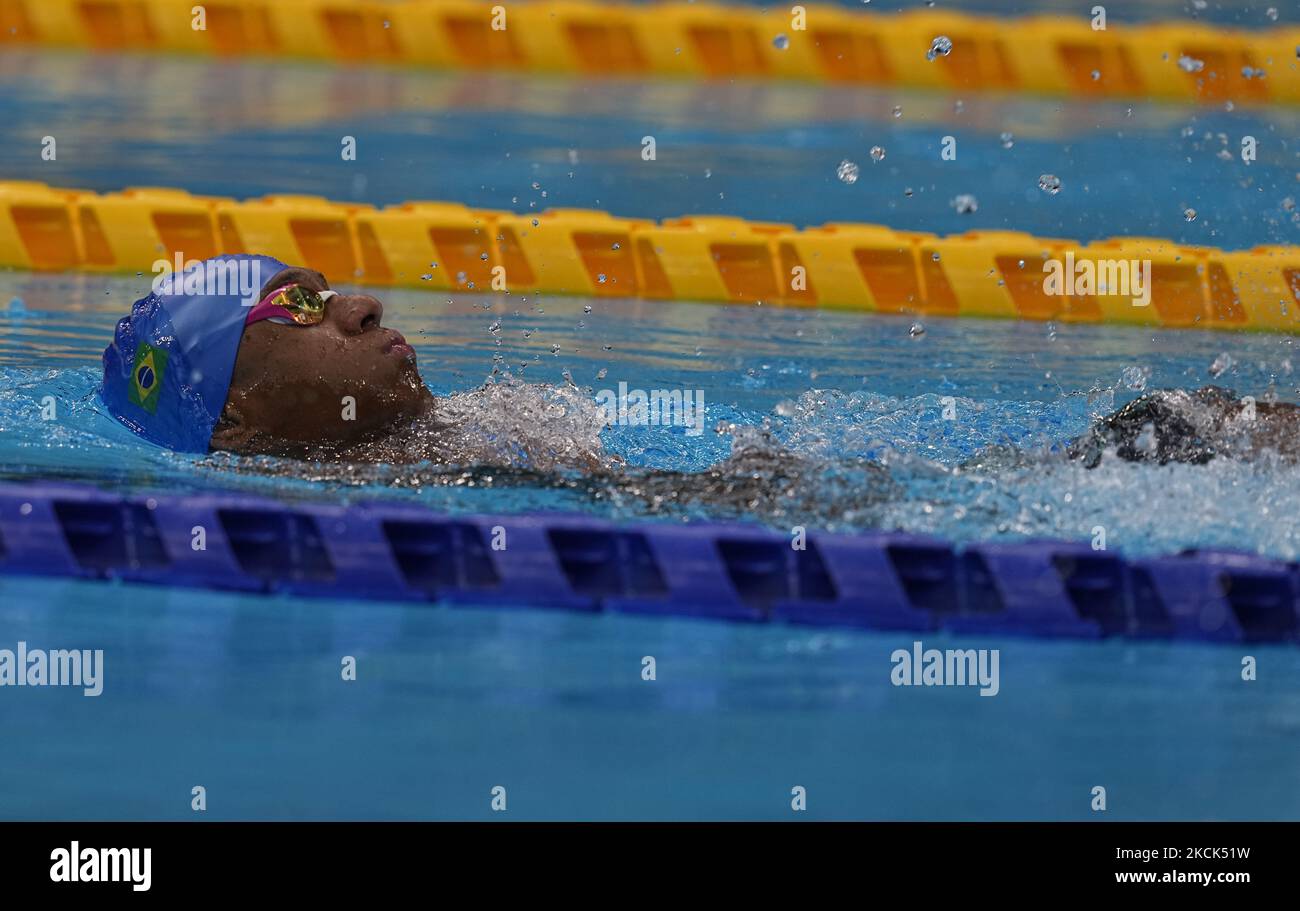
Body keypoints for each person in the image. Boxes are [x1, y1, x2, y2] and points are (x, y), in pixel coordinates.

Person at [102, 255, 1291, 495]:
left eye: (333, 283)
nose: (359, 301)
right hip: (809, 508)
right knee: (1158, 437)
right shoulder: (361, 506)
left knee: (1175, 427)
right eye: (300, 306)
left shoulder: (462, 430)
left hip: (815, 485)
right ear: (239, 411)